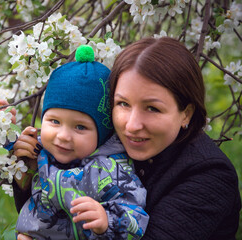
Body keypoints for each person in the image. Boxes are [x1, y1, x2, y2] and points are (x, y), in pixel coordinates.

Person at [12, 37, 241, 239]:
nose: (131, 125)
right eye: (123, 104)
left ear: (186, 114)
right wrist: (31, 172)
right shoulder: (105, 145)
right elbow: (51, 216)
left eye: (152, 108)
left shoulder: (210, 176)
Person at [13, 45, 149, 239]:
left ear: (102, 133)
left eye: (80, 127)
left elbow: (135, 219)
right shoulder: (41, 148)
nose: (63, 136)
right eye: (55, 121)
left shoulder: (111, 169)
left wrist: (107, 222)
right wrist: (11, 142)